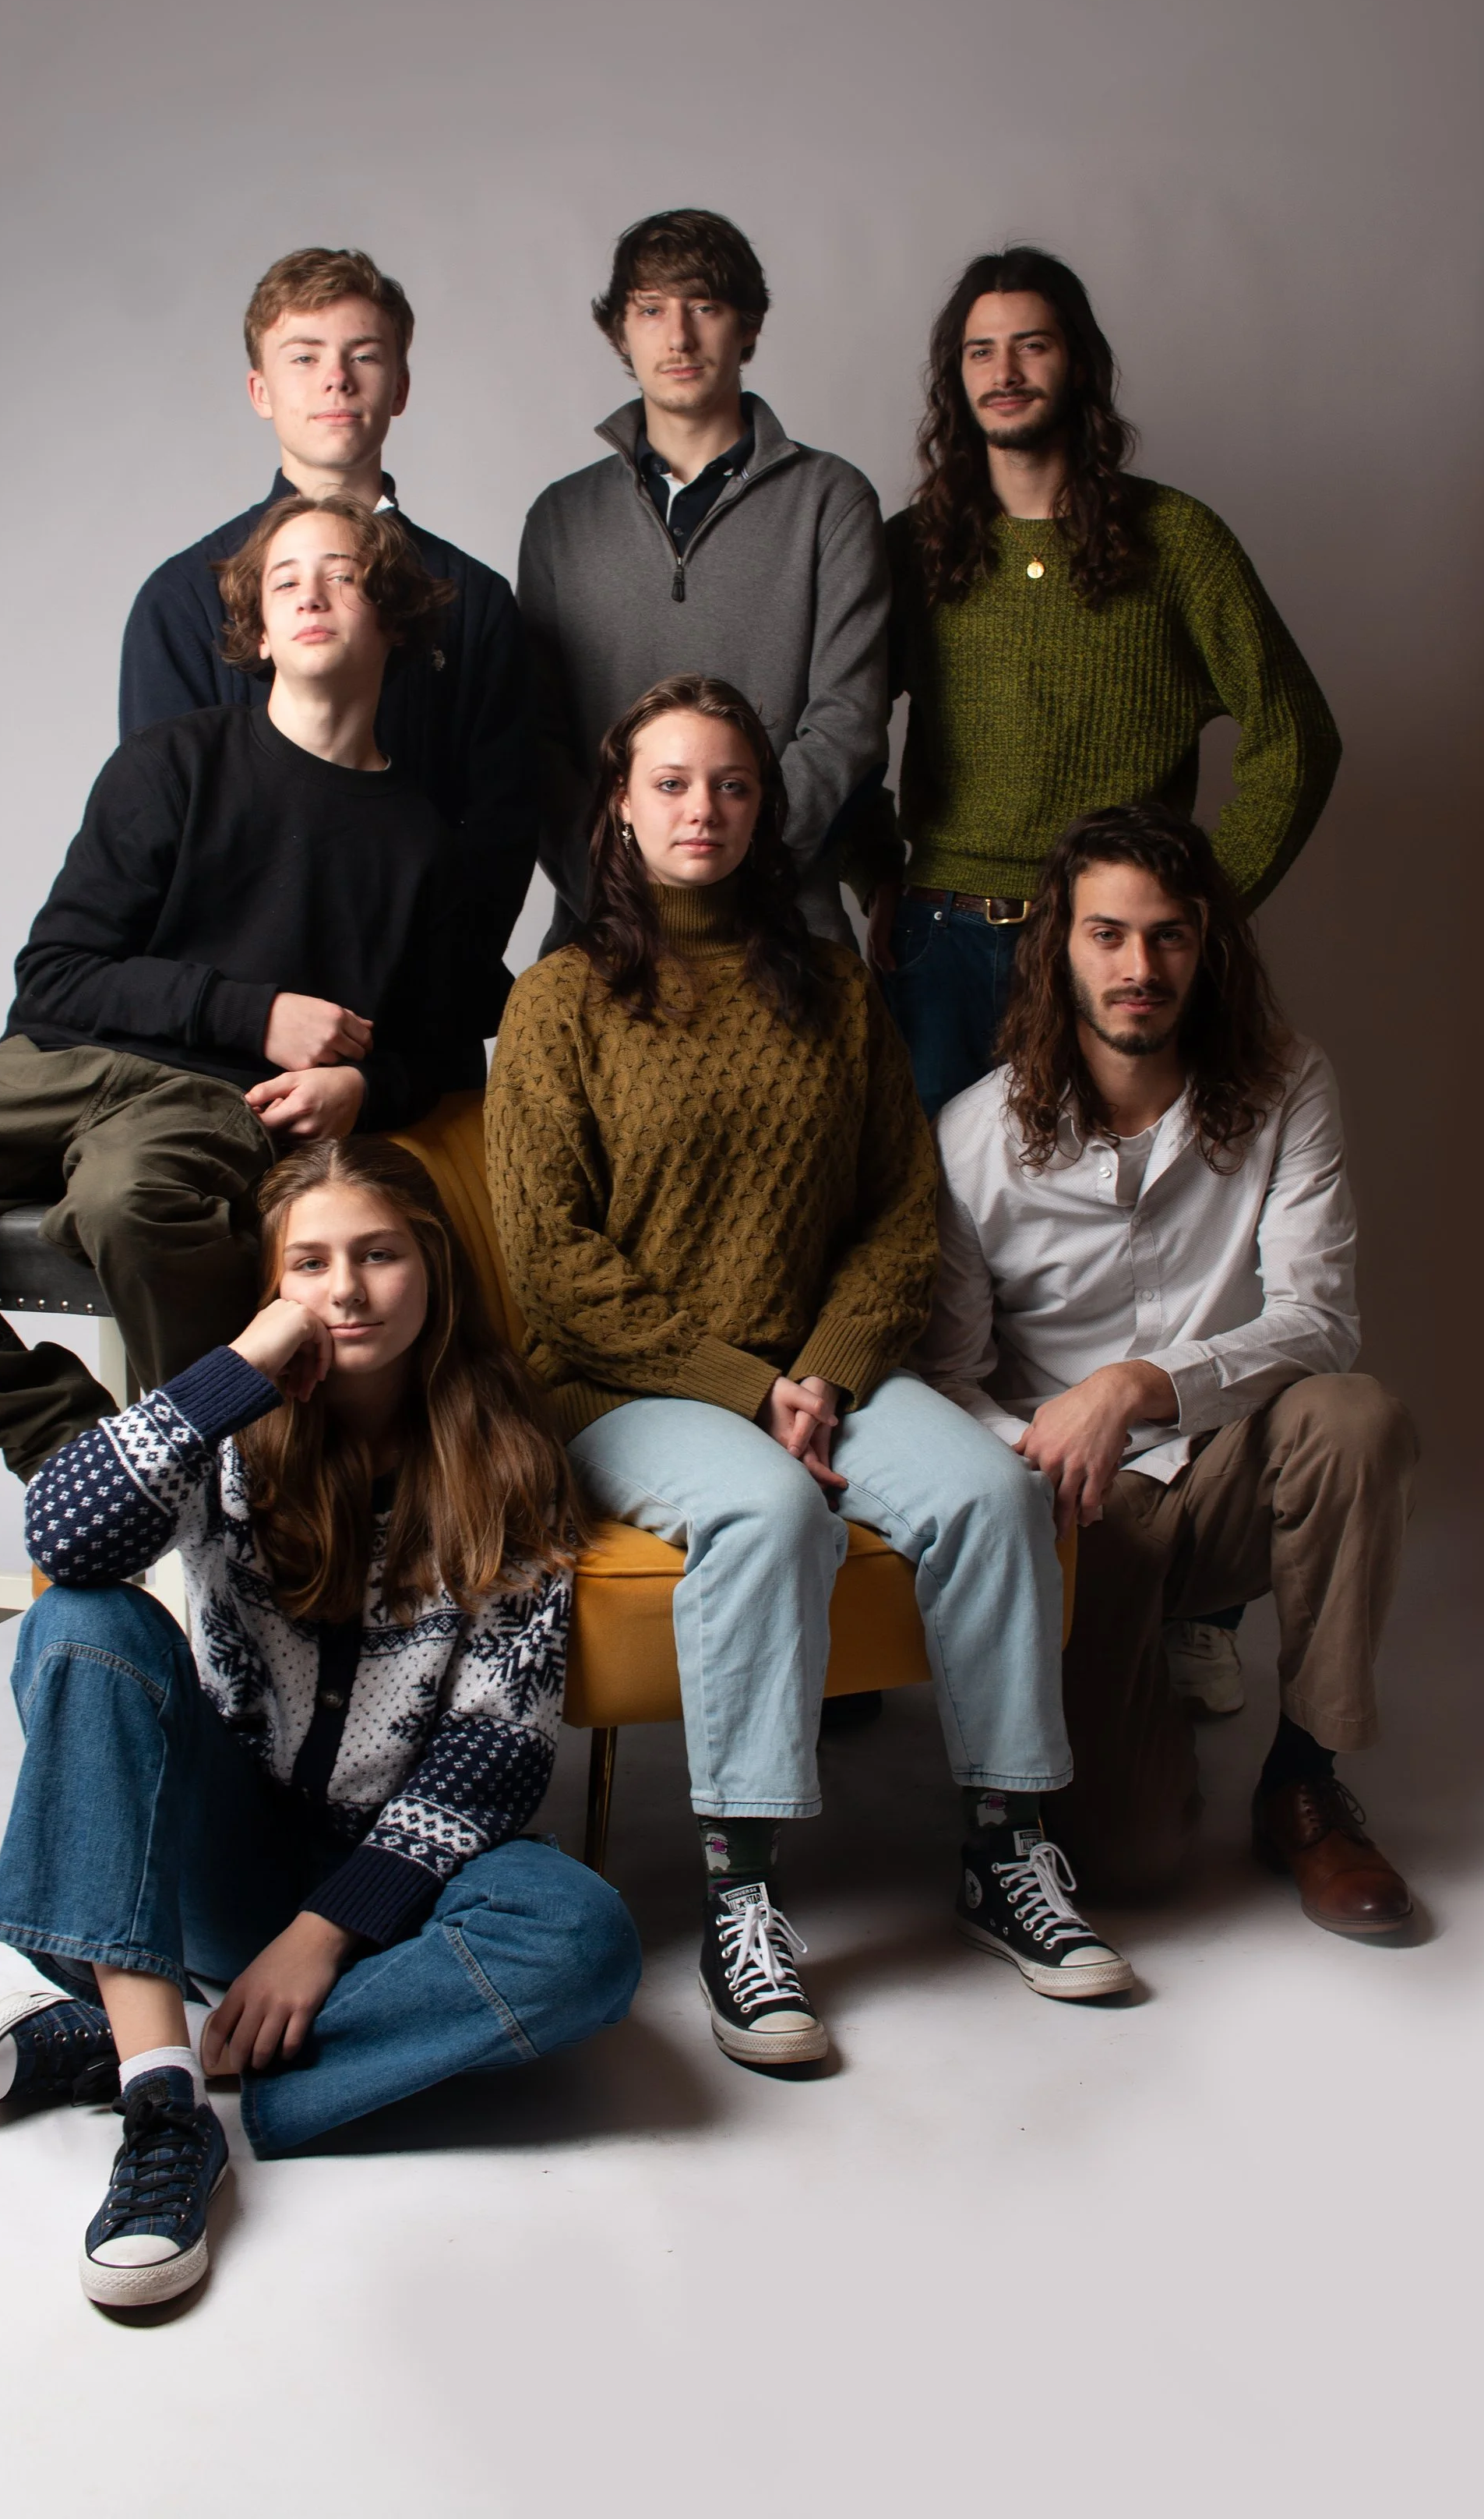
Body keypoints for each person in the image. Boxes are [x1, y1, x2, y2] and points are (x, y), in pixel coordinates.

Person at [485, 674, 1133, 2074]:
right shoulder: (558, 1003)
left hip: (818, 1373)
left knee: (992, 1496)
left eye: (730, 783)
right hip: (628, 1386)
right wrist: (744, 1386)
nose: (701, 810)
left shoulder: (833, 988)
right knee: (770, 1514)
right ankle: (744, 1899)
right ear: (621, 806)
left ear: (767, 807)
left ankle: (1006, 1855)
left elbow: (904, 1214)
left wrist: (825, 1375)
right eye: (670, 783)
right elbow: (553, 1265)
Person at [0, 1137, 640, 2309]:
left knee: (586, 1940)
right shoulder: (230, 1425)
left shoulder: (511, 1458)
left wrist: (324, 1933)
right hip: (219, 1849)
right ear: (272, 1284)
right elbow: (62, 1541)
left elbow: (495, 1756)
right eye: (308, 1264)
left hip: (395, 1894)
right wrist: (242, 1368)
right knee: (83, 1623)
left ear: (435, 1269)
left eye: (379, 1254)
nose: (347, 1290)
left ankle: (142, 2037)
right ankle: (169, 2116)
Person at [0, 493, 474, 1480]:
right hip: (55, 1068)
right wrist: (253, 1010)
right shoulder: (172, 764)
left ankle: (239, 1483)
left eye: (341, 574)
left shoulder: (419, 839)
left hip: (208, 1103)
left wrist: (361, 1089)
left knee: (130, 1202)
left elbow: (450, 1043)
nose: (311, 595)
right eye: (285, 580)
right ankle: (82, 1450)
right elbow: (55, 976)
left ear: (389, 615)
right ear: (255, 627)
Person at [918, 803, 1418, 1934]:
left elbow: (1320, 1320)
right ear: (1059, 947)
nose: (1140, 967)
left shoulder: (1290, 1084)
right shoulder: (974, 1137)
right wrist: (1031, 1460)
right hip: (1080, 1513)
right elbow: (946, 1373)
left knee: (1356, 1418)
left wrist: (1140, 1385)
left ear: (1207, 945)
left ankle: (1305, 1777)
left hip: (1232, 1460)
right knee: (1134, 1862)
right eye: (1108, 935)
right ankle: (1100, 1714)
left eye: (1169, 935)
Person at [848, 245, 1341, 1117]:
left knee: (1101, 1225)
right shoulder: (910, 548)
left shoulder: (1178, 542)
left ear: (1078, 361)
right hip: (941, 944)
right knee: (929, 1220)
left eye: (1031, 345)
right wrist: (869, 866)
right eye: (979, 351)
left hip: (1106, 951)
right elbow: (837, 723)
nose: (1004, 372)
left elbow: (1295, 736)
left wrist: (1198, 904)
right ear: (954, 379)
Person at [119, 246, 535, 1034]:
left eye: (363, 356)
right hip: (229, 1038)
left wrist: (389, 1048)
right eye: (303, 358)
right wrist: (254, 1018)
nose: (335, 380)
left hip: (412, 1034)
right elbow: (158, 841)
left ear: (400, 388)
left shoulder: (474, 601)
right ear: (260, 391)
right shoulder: (180, 600)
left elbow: (501, 833)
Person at [519, 210, 889, 954]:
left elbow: (848, 719)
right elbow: (538, 740)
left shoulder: (831, 501)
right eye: (651, 310)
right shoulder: (561, 516)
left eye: (705, 307)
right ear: (620, 333)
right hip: (603, 929)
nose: (678, 337)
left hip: (787, 927)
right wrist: (612, 882)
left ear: (748, 326)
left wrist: (746, 866)